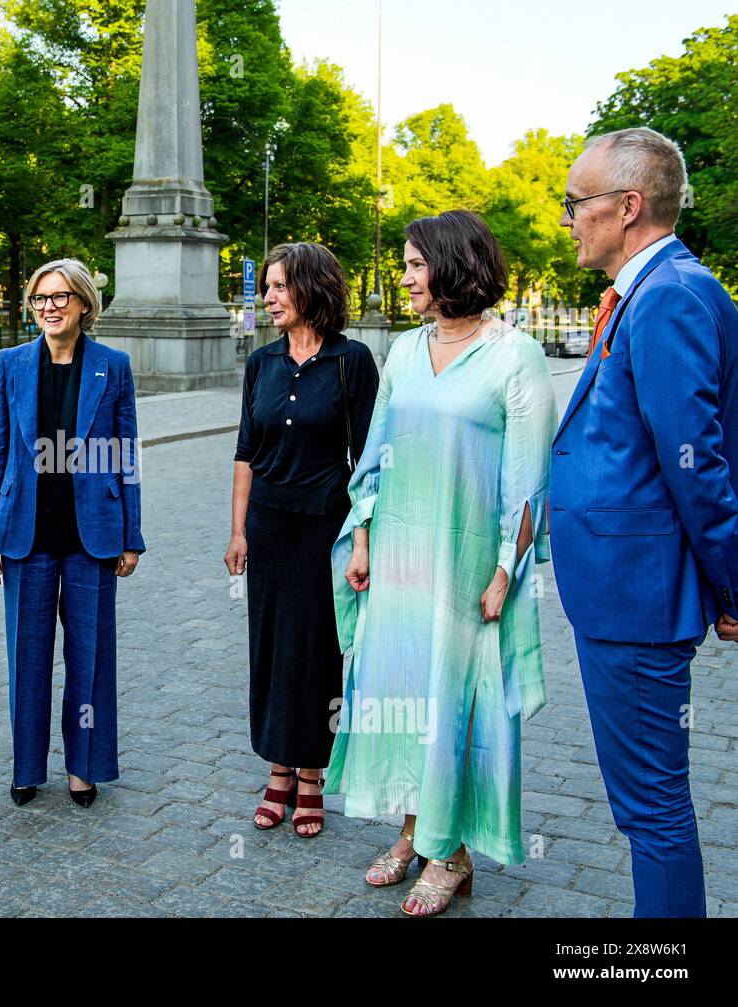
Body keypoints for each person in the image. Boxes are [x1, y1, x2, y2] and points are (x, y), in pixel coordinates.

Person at [330, 210, 557, 916]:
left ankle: (450, 853)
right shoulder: (401, 350)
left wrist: (503, 572)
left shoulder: (515, 354)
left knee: (452, 702)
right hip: (396, 557)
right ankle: (410, 828)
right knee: (400, 693)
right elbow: (373, 453)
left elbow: (528, 481)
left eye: (415, 264)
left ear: (455, 265)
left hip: (464, 565)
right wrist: (361, 535)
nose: (404, 277)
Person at [550, 127, 738, 918]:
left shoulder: (670, 297)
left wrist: (731, 587)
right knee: (646, 807)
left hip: (636, 597)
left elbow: (699, 463)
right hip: (624, 593)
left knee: (653, 809)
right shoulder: (658, 292)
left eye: (575, 203)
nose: (568, 219)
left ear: (628, 207)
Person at [0, 258, 144, 808]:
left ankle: (84, 766)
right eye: (41, 298)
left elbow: (126, 456)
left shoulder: (112, 366)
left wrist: (131, 535)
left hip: (91, 534)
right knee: (27, 658)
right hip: (25, 533)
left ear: (84, 305)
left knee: (90, 657)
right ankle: (27, 767)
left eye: (61, 297)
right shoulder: (11, 364)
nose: (50, 306)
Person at [225, 242, 377, 838]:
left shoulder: (351, 361)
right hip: (268, 526)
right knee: (268, 648)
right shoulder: (261, 363)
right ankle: (278, 766)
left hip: (324, 528)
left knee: (315, 651)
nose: (268, 297)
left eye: (280, 286)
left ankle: (312, 773)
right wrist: (237, 531)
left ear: (312, 289)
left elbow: (366, 461)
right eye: (267, 286)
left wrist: (362, 540)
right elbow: (245, 450)